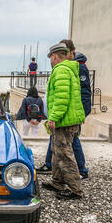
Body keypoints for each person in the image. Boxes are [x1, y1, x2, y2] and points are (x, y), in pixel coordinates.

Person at [37, 39, 91, 179]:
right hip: (61, 114)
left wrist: (81, 113)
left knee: (69, 145)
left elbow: (78, 93)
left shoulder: (76, 67)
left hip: (67, 115)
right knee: (57, 142)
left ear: (70, 52)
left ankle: (79, 173)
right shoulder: (65, 68)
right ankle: (53, 169)